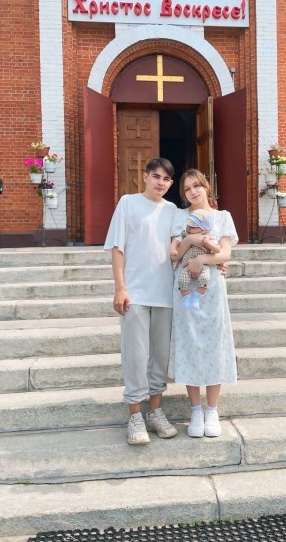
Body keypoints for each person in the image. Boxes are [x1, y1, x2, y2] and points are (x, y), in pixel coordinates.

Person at [104, 158, 178, 445]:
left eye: (167, 179)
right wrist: (120, 288)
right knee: (135, 354)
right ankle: (135, 416)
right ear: (145, 176)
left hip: (165, 293)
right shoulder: (128, 203)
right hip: (134, 293)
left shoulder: (172, 210)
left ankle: (155, 412)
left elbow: (180, 247)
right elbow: (117, 248)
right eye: (156, 176)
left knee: (160, 355)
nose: (161, 183)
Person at [168, 169, 238, 438]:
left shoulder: (223, 217)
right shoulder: (179, 216)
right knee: (190, 344)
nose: (193, 192)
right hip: (185, 289)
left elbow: (225, 253)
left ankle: (212, 410)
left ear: (206, 186)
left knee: (213, 345)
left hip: (212, 290)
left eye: (196, 186)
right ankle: (195, 410)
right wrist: (191, 240)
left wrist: (202, 260)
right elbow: (174, 256)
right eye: (187, 189)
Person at [170, 209, 221, 309]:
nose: (189, 229)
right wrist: (172, 249)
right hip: (186, 265)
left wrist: (208, 243)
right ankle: (186, 297)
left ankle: (197, 298)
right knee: (182, 280)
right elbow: (175, 241)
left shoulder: (209, 237)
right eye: (188, 226)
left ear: (204, 229)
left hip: (204, 265)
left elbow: (217, 250)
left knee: (205, 278)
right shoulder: (185, 235)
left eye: (193, 227)